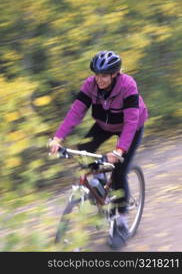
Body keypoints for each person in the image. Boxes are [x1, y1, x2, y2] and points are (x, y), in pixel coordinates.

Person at [49, 50, 148, 250]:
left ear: (115, 74)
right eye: (97, 74)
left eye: (104, 75)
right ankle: (98, 182)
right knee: (84, 150)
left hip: (132, 127)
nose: (99, 79)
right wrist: (58, 138)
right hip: (104, 125)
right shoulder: (90, 85)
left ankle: (120, 222)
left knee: (120, 171)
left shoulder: (128, 86)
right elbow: (76, 112)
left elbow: (130, 122)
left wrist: (119, 151)